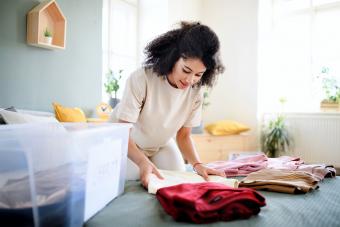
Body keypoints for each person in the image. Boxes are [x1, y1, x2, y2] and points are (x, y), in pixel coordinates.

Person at [110, 21, 225, 187]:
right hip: (125, 144)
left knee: (177, 177)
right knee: (137, 178)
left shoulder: (196, 91)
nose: (190, 80)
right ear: (173, 57)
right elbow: (123, 133)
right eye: (186, 70)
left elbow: (184, 136)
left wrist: (198, 165)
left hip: (159, 145)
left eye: (198, 74)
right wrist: (142, 162)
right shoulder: (142, 79)